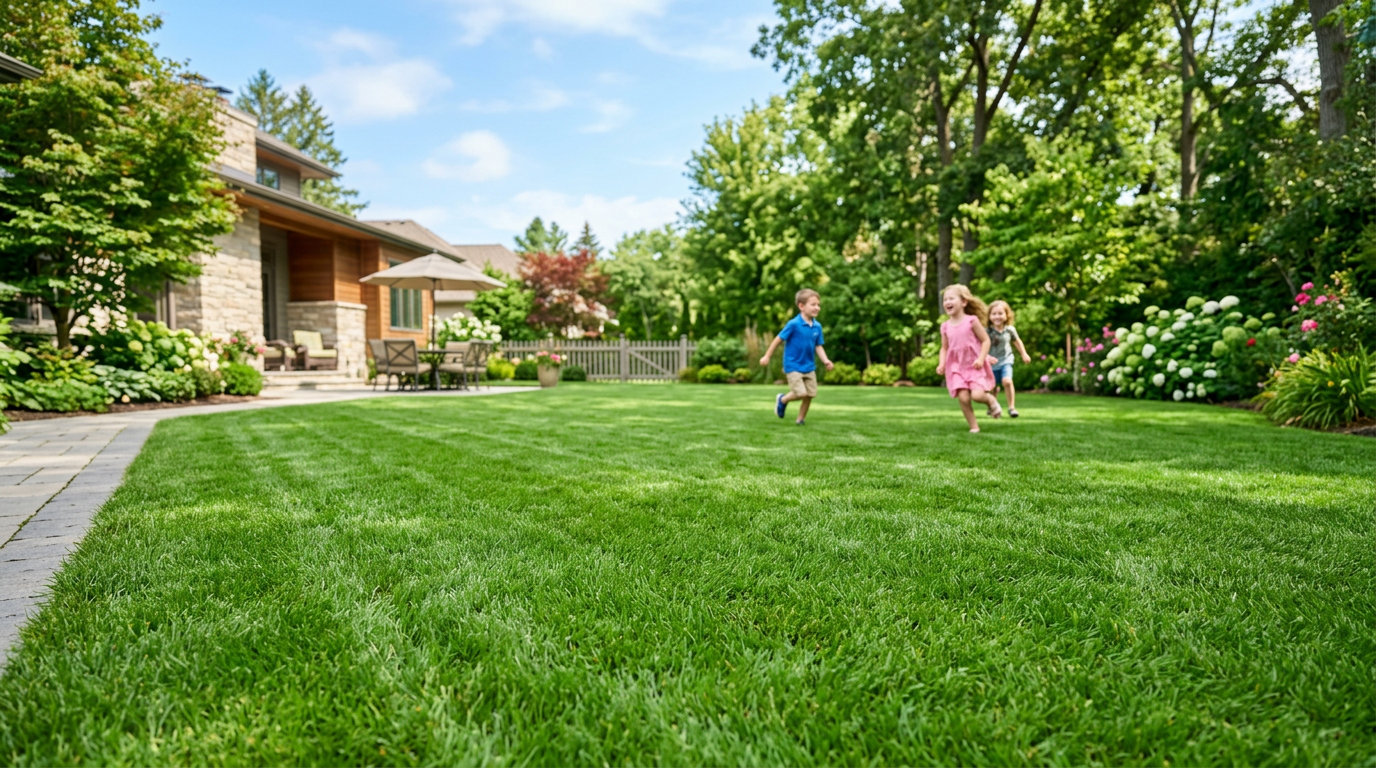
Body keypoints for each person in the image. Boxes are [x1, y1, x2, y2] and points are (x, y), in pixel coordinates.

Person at [760, 288, 834, 425]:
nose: (817, 307)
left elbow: (818, 346)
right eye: (813, 304)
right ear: (801, 306)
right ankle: (782, 400)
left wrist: (826, 360)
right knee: (800, 393)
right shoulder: (793, 324)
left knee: (810, 394)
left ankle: (800, 419)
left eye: (818, 304)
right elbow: (778, 339)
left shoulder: (817, 326)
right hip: (793, 365)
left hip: (809, 365)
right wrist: (767, 356)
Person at [936, 284, 1002, 432]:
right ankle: (974, 427)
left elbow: (985, 340)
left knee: (977, 396)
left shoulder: (971, 321)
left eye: (951, 298)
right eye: (945, 299)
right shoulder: (945, 326)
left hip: (974, 365)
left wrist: (981, 358)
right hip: (956, 367)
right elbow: (944, 348)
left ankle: (991, 400)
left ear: (964, 302)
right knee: (964, 398)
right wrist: (942, 363)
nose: (947, 302)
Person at [986, 300, 1032, 417]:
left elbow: (1017, 342)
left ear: (1007, 315)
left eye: (1000, 313)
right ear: (989, 316)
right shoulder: (987, 331)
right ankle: (992, 406)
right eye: (994, 314)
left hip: (1006, 360)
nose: (997, 316)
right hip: (991, 362)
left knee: (1007, 381)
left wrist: (1024, 354)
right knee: (991, 386)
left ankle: (1011, 408)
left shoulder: (1010, 330)